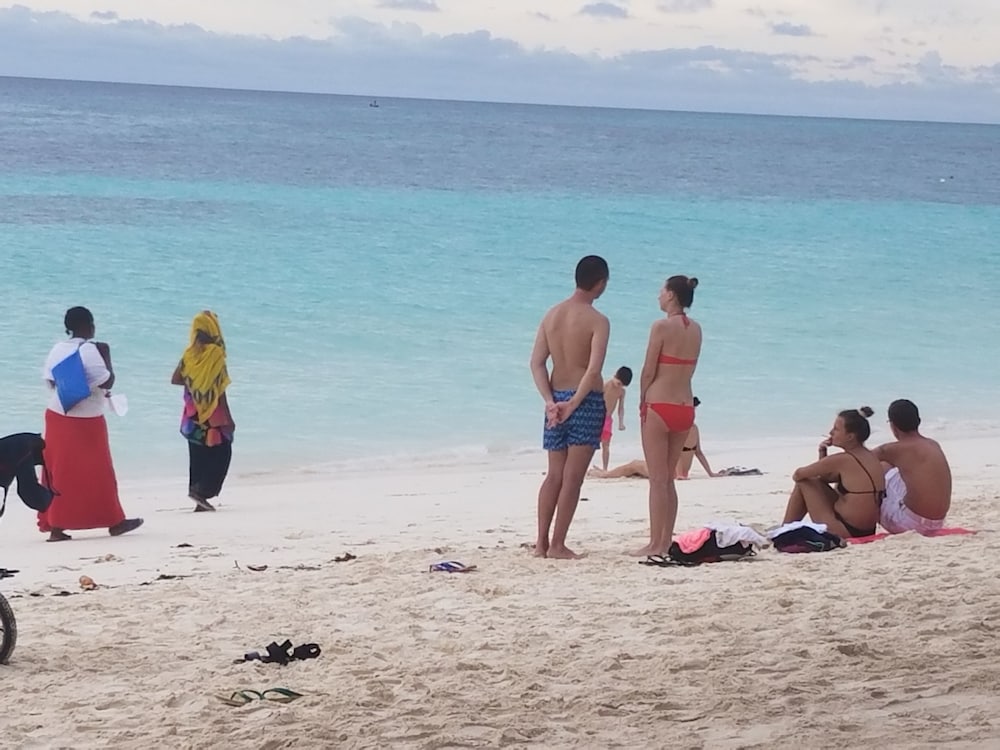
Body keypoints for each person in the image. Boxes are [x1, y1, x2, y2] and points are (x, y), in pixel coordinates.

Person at [37, 307, 143, 541]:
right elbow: (106, 381)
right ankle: (115, 522)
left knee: (58, 470)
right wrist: (107, 356)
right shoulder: (91, 349)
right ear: (89, 326)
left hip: (57, 414)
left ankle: (56, 527)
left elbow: (52, 382)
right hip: (87, 419)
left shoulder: (57, 348)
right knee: (99, 471)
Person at [529, 255, 610, 559]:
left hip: (555, 401)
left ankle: (541, 543)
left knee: (554, 475)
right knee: (573, 477)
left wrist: (550, 401)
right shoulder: (598, 321)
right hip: (584, 401)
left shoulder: (552, 315)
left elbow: (537, 363)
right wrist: (574, 403)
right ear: (600, 283)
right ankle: (558, 545)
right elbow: (593, 370)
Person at [633, 275, 701, 556]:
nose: (659, 295)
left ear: (671, 295)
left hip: (659, 404)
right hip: (685, 405)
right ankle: (665, 539)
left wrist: (641, 398)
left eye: (661, 290)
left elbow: (649, 370)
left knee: (657, 480)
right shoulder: (696, 329)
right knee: (669, 479)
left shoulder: (660, 326)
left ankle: (655, 542)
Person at [781, 407, 885, 539]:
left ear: (850, 437)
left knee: (804, 482)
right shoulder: (870, 456)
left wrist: (824, 463)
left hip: (845, 529)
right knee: (813, 481)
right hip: (867, 530)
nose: (830, 432)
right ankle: (786, 529)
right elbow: (825, 478)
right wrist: (822, 452)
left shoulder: (843, 460)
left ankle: (784, 531)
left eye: (836, 429)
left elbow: (798, 474)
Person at [171, 311, 235, 512]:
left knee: (198, 453)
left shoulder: (189, 354)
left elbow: (175, 379)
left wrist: (195, 384)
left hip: (193, 413)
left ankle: (197, 493)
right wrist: (228, 417)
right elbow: (220, 389)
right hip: (213, 413)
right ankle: (203, 492)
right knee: (222, 452)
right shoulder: (215, 354)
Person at [872, 399, 951, 534]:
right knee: (890, 467)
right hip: (937, 523)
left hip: (908, 524)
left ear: (893, 425)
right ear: (918, 421)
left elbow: (858, 461)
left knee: (875, 471)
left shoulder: (892, 450)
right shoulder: (932, 444)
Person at [599, 366, 633, 471]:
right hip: (598, 417)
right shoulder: (606, 385)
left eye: (622, 385)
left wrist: (621, 423)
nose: (620, 386)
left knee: (606, 445)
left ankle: (605, 469)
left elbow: (620, 408)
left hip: (608, 419)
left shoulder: (621, 392)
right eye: (619, 383)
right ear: (615, 375)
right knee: (589, 444)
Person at [676, 397, 718, 479]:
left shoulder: (694, 428)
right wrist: (679, 474)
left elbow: (698, 453)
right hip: (670, 472)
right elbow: (675, 453)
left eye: (693, 410)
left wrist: (710, 473)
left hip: (684, 473)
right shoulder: (678, 428)